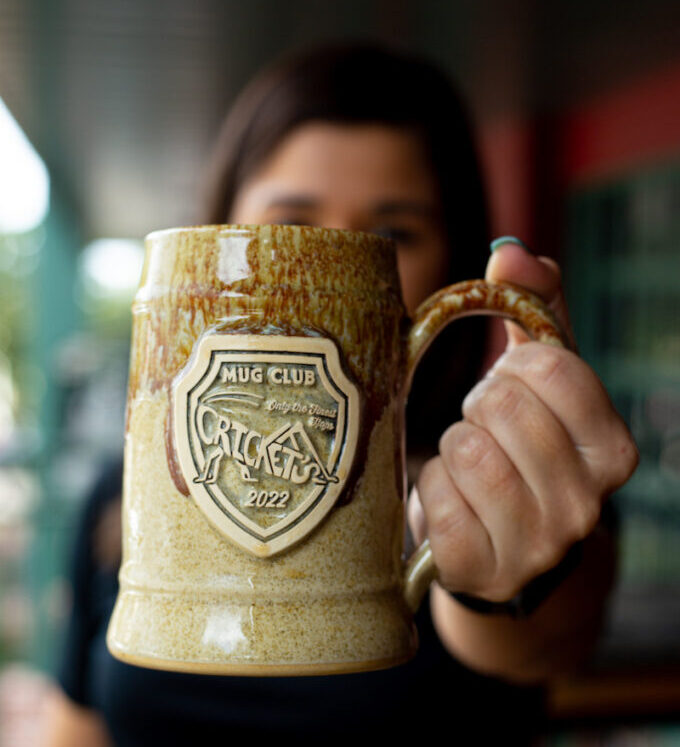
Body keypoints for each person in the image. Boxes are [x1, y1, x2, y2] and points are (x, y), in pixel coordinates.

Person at [42, 43, 637, 745]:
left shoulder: (505, 473)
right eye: (291, 220)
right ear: (218, 233)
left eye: (393, 230)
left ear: (450, 259)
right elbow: (74, 727)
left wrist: (504, 581)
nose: (334, 251)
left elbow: (541, 639)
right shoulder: (121, 499)